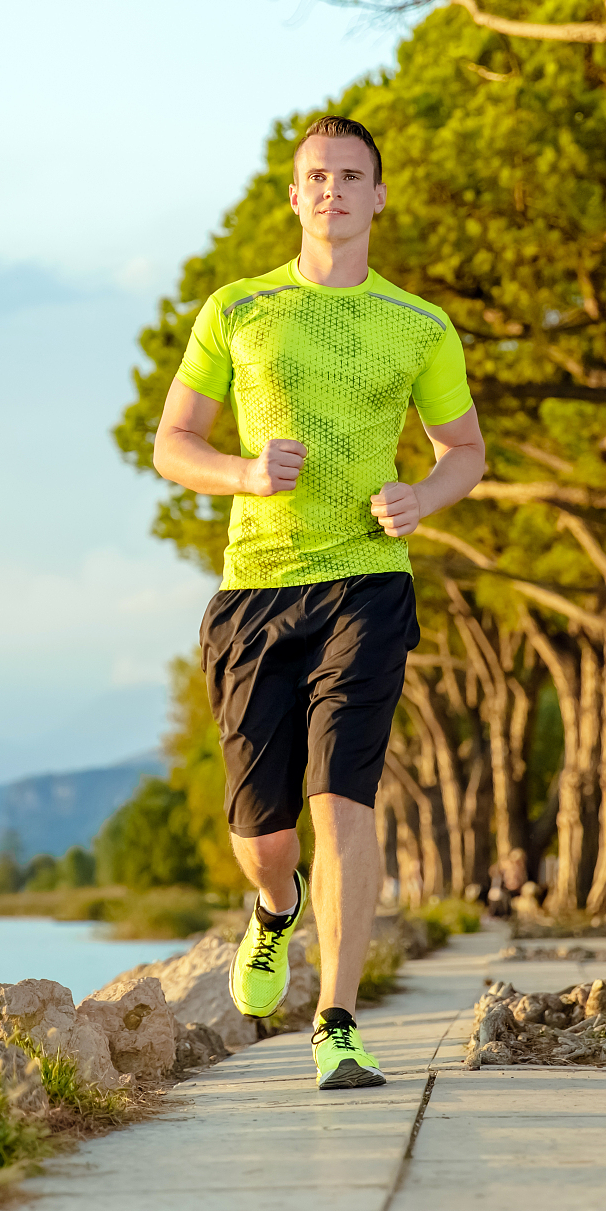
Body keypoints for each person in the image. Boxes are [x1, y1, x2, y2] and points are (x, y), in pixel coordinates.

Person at [150, 115, 484, 1090]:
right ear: (293, 197)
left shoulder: (418, 325)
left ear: (377, 196)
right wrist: (243, 474)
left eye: (350, 176)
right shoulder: (237, 309)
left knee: (342, 801)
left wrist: (420, 496)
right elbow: (172, 444)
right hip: (255, 591)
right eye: (315, 177)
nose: (332, 190)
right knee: (264, 838)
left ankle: (335, 1021)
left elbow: (463, 451)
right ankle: (270, 910)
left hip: (367, 585)